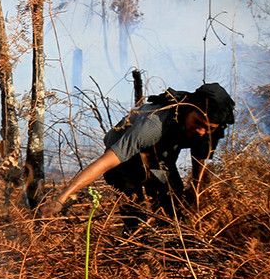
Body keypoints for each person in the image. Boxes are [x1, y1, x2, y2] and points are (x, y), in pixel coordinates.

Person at [43, 82, 236, 221]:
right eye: (198, 123)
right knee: (139, 210)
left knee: (176, 205)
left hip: (161, 158)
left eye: (208, 128)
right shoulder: (153, 125)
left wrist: (195, 189)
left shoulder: (214, 125)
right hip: (126, 162)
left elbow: (200, 155)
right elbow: (106, 162)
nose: (202, 131)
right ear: (187, 110)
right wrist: (62, 197)